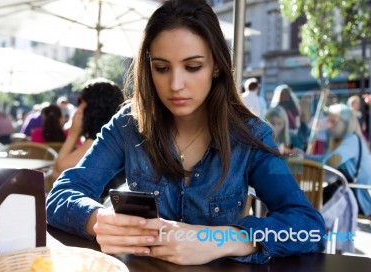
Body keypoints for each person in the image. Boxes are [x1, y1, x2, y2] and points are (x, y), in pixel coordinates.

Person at [46, 0, 325, 265]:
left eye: (192, 67)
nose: (176, 84)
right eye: (162, 68)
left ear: (216, 65)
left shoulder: (250, 135)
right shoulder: (128, 123)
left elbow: (309, 227)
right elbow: (61, 194)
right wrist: (97, 219)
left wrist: (221, 239)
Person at [51, 78, 125, 181]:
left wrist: (73, 135)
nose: (79, 108)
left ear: (92, 108)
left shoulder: (97, 144)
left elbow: (57, 174)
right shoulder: (118, 138)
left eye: (81, 102)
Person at [306, 104, 371, 216]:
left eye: (333, 121)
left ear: (346, 124)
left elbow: (332, 161)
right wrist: (305, 157)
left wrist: (308, 161)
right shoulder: (346, 140)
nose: (328, 125)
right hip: (350, 195)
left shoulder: (352, 139)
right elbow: (326, 160)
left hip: (360, 201)